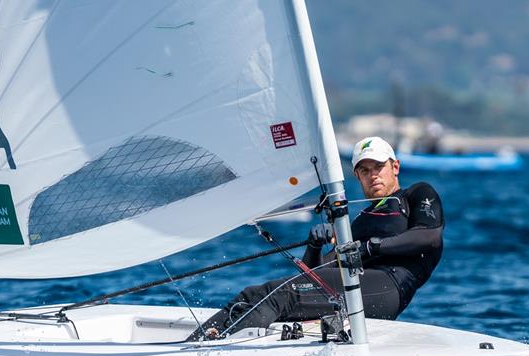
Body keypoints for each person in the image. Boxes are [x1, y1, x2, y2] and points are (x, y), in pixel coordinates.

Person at [187, 136, 444, 341]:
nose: (373, 175)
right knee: (254, 293)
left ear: (395, 167)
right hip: (355, 287)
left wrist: (371, 247)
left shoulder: (416, 194)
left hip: (389, 289)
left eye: (379, 167)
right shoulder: (357, 222)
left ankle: (217, 351)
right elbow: (314, 273)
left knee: (283, 295)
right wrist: (314, 246)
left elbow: (429, 237)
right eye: (364, 170)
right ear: (357, 176)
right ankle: (196, 344)